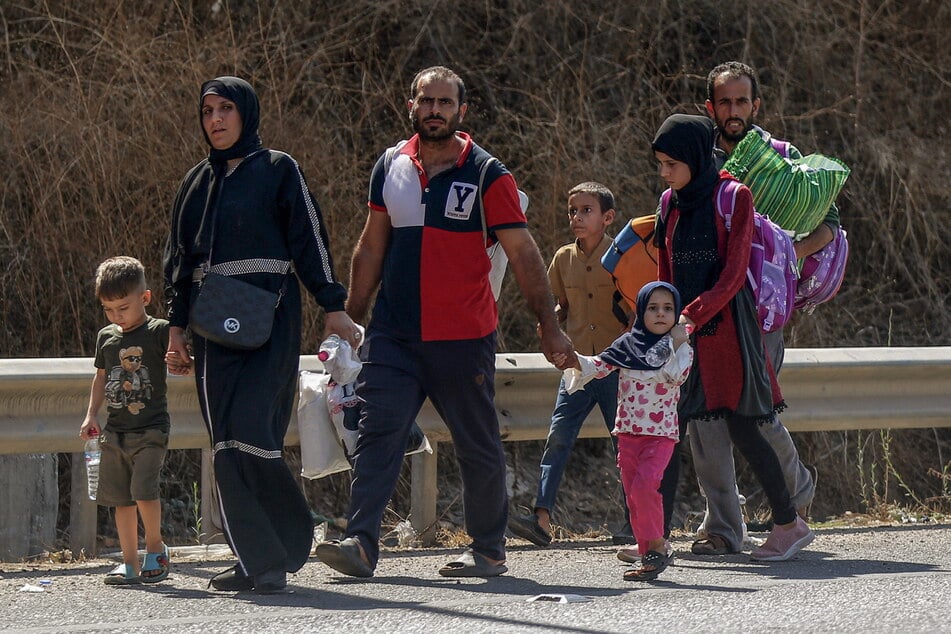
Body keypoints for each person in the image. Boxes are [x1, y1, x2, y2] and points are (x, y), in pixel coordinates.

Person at [314, 65, 574, 578]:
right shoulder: (391, 165)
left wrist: (549, 325)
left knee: (476, 443)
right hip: (394, 334)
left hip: (463, 335)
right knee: (377, 432)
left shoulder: (487, 173)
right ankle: (361, 544)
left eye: (445, 102)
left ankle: (487, 550)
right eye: (426, 101)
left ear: (462, 110)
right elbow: (371, 245)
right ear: (411, 106)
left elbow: (523, 253)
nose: (435, 110)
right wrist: (348, 316)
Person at [163, 76, 359, 594]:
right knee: (225, 443)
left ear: (245, 113)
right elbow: (179, 265)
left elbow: (309, 238)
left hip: (270, 319)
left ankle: (283, 538)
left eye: (226, 108)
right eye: (207, 111)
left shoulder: (278, 169)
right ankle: (257, 560)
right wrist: (176, 330)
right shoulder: (194, 183)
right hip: (210, 328)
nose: (216, 120)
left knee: (254, 432)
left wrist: (333, 306)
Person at [684, 61, 838, 555]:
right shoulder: (697, 155)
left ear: (757, 105)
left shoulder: (783, 159)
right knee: (706, 420)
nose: (733, 111)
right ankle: (724, 528)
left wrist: (785, 254)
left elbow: (828, 223)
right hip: (708, 307)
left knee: (758, 413)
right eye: (724, 102)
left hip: (761, 311)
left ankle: (793, 494)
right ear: (710, 108)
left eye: (741, 101)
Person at [653, 113, 814, 561]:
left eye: (670, 163)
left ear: (693, 158)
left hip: (726, 327)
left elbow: (733, 273)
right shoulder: (670, 202)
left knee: (744, 425)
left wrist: (690, 316)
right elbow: (666, 269)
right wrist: (662, 318)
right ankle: (654, 537)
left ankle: (789, 523)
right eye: (661, 164)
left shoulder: (733, 196)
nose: (664, 173)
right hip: (683, 331)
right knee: (671, 425)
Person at [508, 182, 635, 548]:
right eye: (572, 211)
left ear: (607, 218)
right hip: (577, 368)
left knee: (624, 446)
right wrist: (550, 326)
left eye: (586, 210)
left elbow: (635, 309)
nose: (577, 217)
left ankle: (635, 522)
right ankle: (541, 520)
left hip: (614, 368)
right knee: (558, 439)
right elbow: (558, 306)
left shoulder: (622, 257)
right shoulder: (563, 258)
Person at [554, 281, 692, 580]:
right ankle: (648, 553)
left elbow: (676, 375)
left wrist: (680, 342)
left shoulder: (676, 347)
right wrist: (573, 359)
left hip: (661, 434)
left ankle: (657, 547)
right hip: (628, 432)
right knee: (633, 495)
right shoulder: (626, 345)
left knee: (645, 486)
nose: (660, 314)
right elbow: (598, 366)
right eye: (652, 308)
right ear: (640, 311)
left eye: (668, 309)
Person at [80, 256, 172, 585]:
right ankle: (130, 562)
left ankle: (155, 549)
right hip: (115, 432)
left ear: (144, 298)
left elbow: (181, 358)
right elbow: (101, 377)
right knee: (121, 499)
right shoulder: (107, 336)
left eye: (123, 307)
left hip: (151, 429)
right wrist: (91, 414)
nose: (116, 316)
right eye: (108, 309)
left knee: (143, 490)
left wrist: (182, 358)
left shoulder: (159, 331)